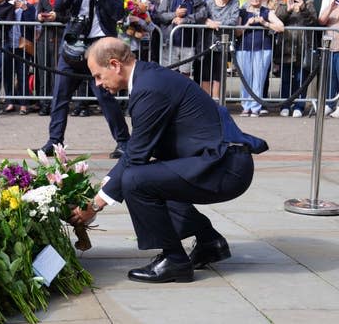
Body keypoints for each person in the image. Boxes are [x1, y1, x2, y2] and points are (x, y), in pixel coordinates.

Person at [70, 37, 267, 284]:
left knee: (136, 180)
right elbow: (137, 150)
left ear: (114, 65)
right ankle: (209, 242)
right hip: (220, 161)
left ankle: (174, 261)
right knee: (152, 177)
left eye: (98, 76)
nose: (98, 84)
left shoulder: (149, 88)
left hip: (226, 168)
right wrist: (101, 191)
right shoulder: (149, 78)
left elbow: (135, 157)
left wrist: (96, 204)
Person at [36, 0, 130, 159]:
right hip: (73, 45)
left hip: (100, 47)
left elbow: (117, 13)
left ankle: (124, 142)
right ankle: (54, 141)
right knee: (60, 95)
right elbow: (60, 7)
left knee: (105, 97)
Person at [276, 0, 328, 118]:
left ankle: (299, 106)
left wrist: (303, 8)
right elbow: (278, 19)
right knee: (286, 79)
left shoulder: (309, 4)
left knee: (301, 79)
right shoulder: (283, 4)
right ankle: (285, 105)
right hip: (287, 48)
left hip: (303, 48)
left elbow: (313, 21)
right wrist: (288, 9)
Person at [236, 0, 284, 117]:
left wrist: (264, 23)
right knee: (245, 77)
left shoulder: (266, 12)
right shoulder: (242, 12)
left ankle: (256, 106)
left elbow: (280, 27)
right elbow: (237, 31)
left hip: (263, 48)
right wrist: (247, 24)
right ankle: (246, 106)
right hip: (244, 48)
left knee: (259, 78)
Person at [155, 0, 207, 76]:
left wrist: (184, 20)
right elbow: (160, 15)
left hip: (189, 43)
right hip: (170, 42)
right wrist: (175, 14)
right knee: (169, 73)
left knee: (185, 74)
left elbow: (202, 15)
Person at [196, 0, 240, 98]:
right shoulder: (209, 3)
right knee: (205, 74)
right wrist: (207, 21)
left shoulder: (234, 2)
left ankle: (216, 102)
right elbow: (202, 17)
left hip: (223, 44)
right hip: (208, 43)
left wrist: (215, 23)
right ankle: (206, 102)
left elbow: (233, 21)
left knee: (218, 75)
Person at [3, 0, 37, 115]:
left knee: (22, 74)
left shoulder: (29, 7)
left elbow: (32, 25)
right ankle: (10, 101)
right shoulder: (8, 6)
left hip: (23, 45)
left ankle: (24, 104)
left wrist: (25, 9)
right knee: (8, 74)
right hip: (8, 44)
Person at [35, 0, 64, 116]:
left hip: (58, 38)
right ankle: (43, 103)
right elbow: (38, 14)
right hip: (44, 39)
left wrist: (56, 17)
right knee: (43, 72)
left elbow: (67, 16)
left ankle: (55, 104)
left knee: (56, 73)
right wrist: (40, 17)